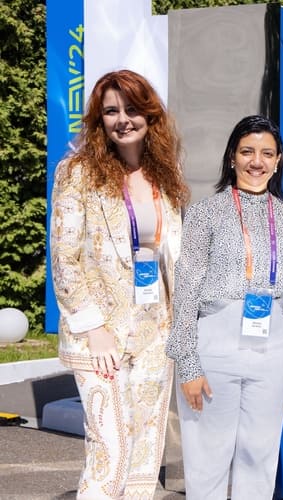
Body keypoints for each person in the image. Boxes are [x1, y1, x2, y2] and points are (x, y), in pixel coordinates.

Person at [49, 69, 188, 499]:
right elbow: (64, 258)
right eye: (111, 111)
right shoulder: (77, 172)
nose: (123, 119)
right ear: (99, 119)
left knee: (145, 451)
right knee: (109, 450)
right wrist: (93, 328)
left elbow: (173, 254)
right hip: (99, 332)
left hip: (154, 328)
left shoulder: (165, 172)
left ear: (150, 115)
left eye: (132, 109)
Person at [165, 115, 283, 499]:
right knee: (207, 457)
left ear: (279, 161)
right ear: (231, 157)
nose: (257, 161)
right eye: (247, 152)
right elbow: (186, 287)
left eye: (267, 153)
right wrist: (187, 363)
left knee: (259, 456)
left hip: (273, 346)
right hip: (216, 343)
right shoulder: (205, 212)